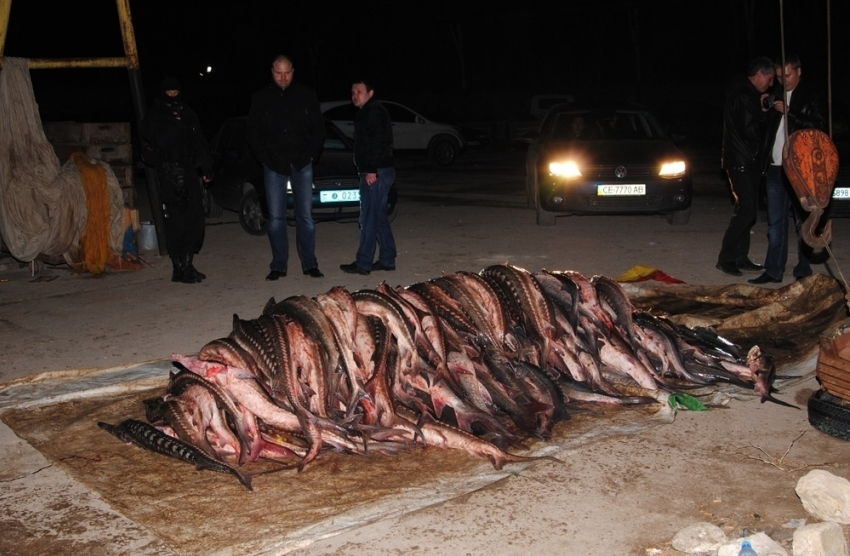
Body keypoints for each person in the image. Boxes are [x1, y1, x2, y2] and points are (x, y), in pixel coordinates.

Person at [247, 55, 325, 280]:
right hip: (274, 164)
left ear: (293, 71)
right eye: (278, 72)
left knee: (306, 217)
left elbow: (318, 128)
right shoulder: (261, 97)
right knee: (276, 218)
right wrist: (265, 159)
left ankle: (310, 264)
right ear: (271, 71)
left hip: (302, 162)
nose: (283, 77)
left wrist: (311, 154)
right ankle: (278, 265)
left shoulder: (305, 94)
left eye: (287, 72)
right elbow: (253, 133)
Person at [749, 54, 825, 284]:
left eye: (788, 75)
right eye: (780, 76)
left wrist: (789, 111)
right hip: (775, 168)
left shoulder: (810, 95)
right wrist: (764, 111)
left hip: (800, 170)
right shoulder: (776, 96)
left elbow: (819, 126)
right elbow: (766, 131)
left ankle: (803, 268)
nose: (784, 80)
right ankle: (773, 270)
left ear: (799, 71)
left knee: (802, 221)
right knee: (775, 223)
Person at [141, 77, 213, 284]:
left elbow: (199, 142)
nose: (172, 96)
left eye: (175, 92)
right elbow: (150, 144)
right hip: (169, 174)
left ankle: (188, 264)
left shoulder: (188, 113)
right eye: (169, 92)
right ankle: (178, 267)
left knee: (194, 220)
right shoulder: (155, 115)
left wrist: (206, 168)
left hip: (189, 173)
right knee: (176, 222)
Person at [716, 56, 776, 277]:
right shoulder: (743, 95)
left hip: (744, 158)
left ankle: (740, 257)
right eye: (769, 79)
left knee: (746, 209)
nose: (770, 84)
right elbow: (750, 131)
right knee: (747, 209)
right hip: (741, 159)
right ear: (759, 74)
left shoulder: (745, 93)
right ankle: (726, 258)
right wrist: (765, 114)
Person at [340, 78, 396, 276]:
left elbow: (377, 142)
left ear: (370, 93)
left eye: (359, 91)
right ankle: (388, 259)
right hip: (379, 170)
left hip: (376, 172)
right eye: (353, 92)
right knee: (378, 216)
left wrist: (371, 169)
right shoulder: (368, 112)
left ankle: (363, 263)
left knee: (368, 218)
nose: (355, 95)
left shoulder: (373, 112)